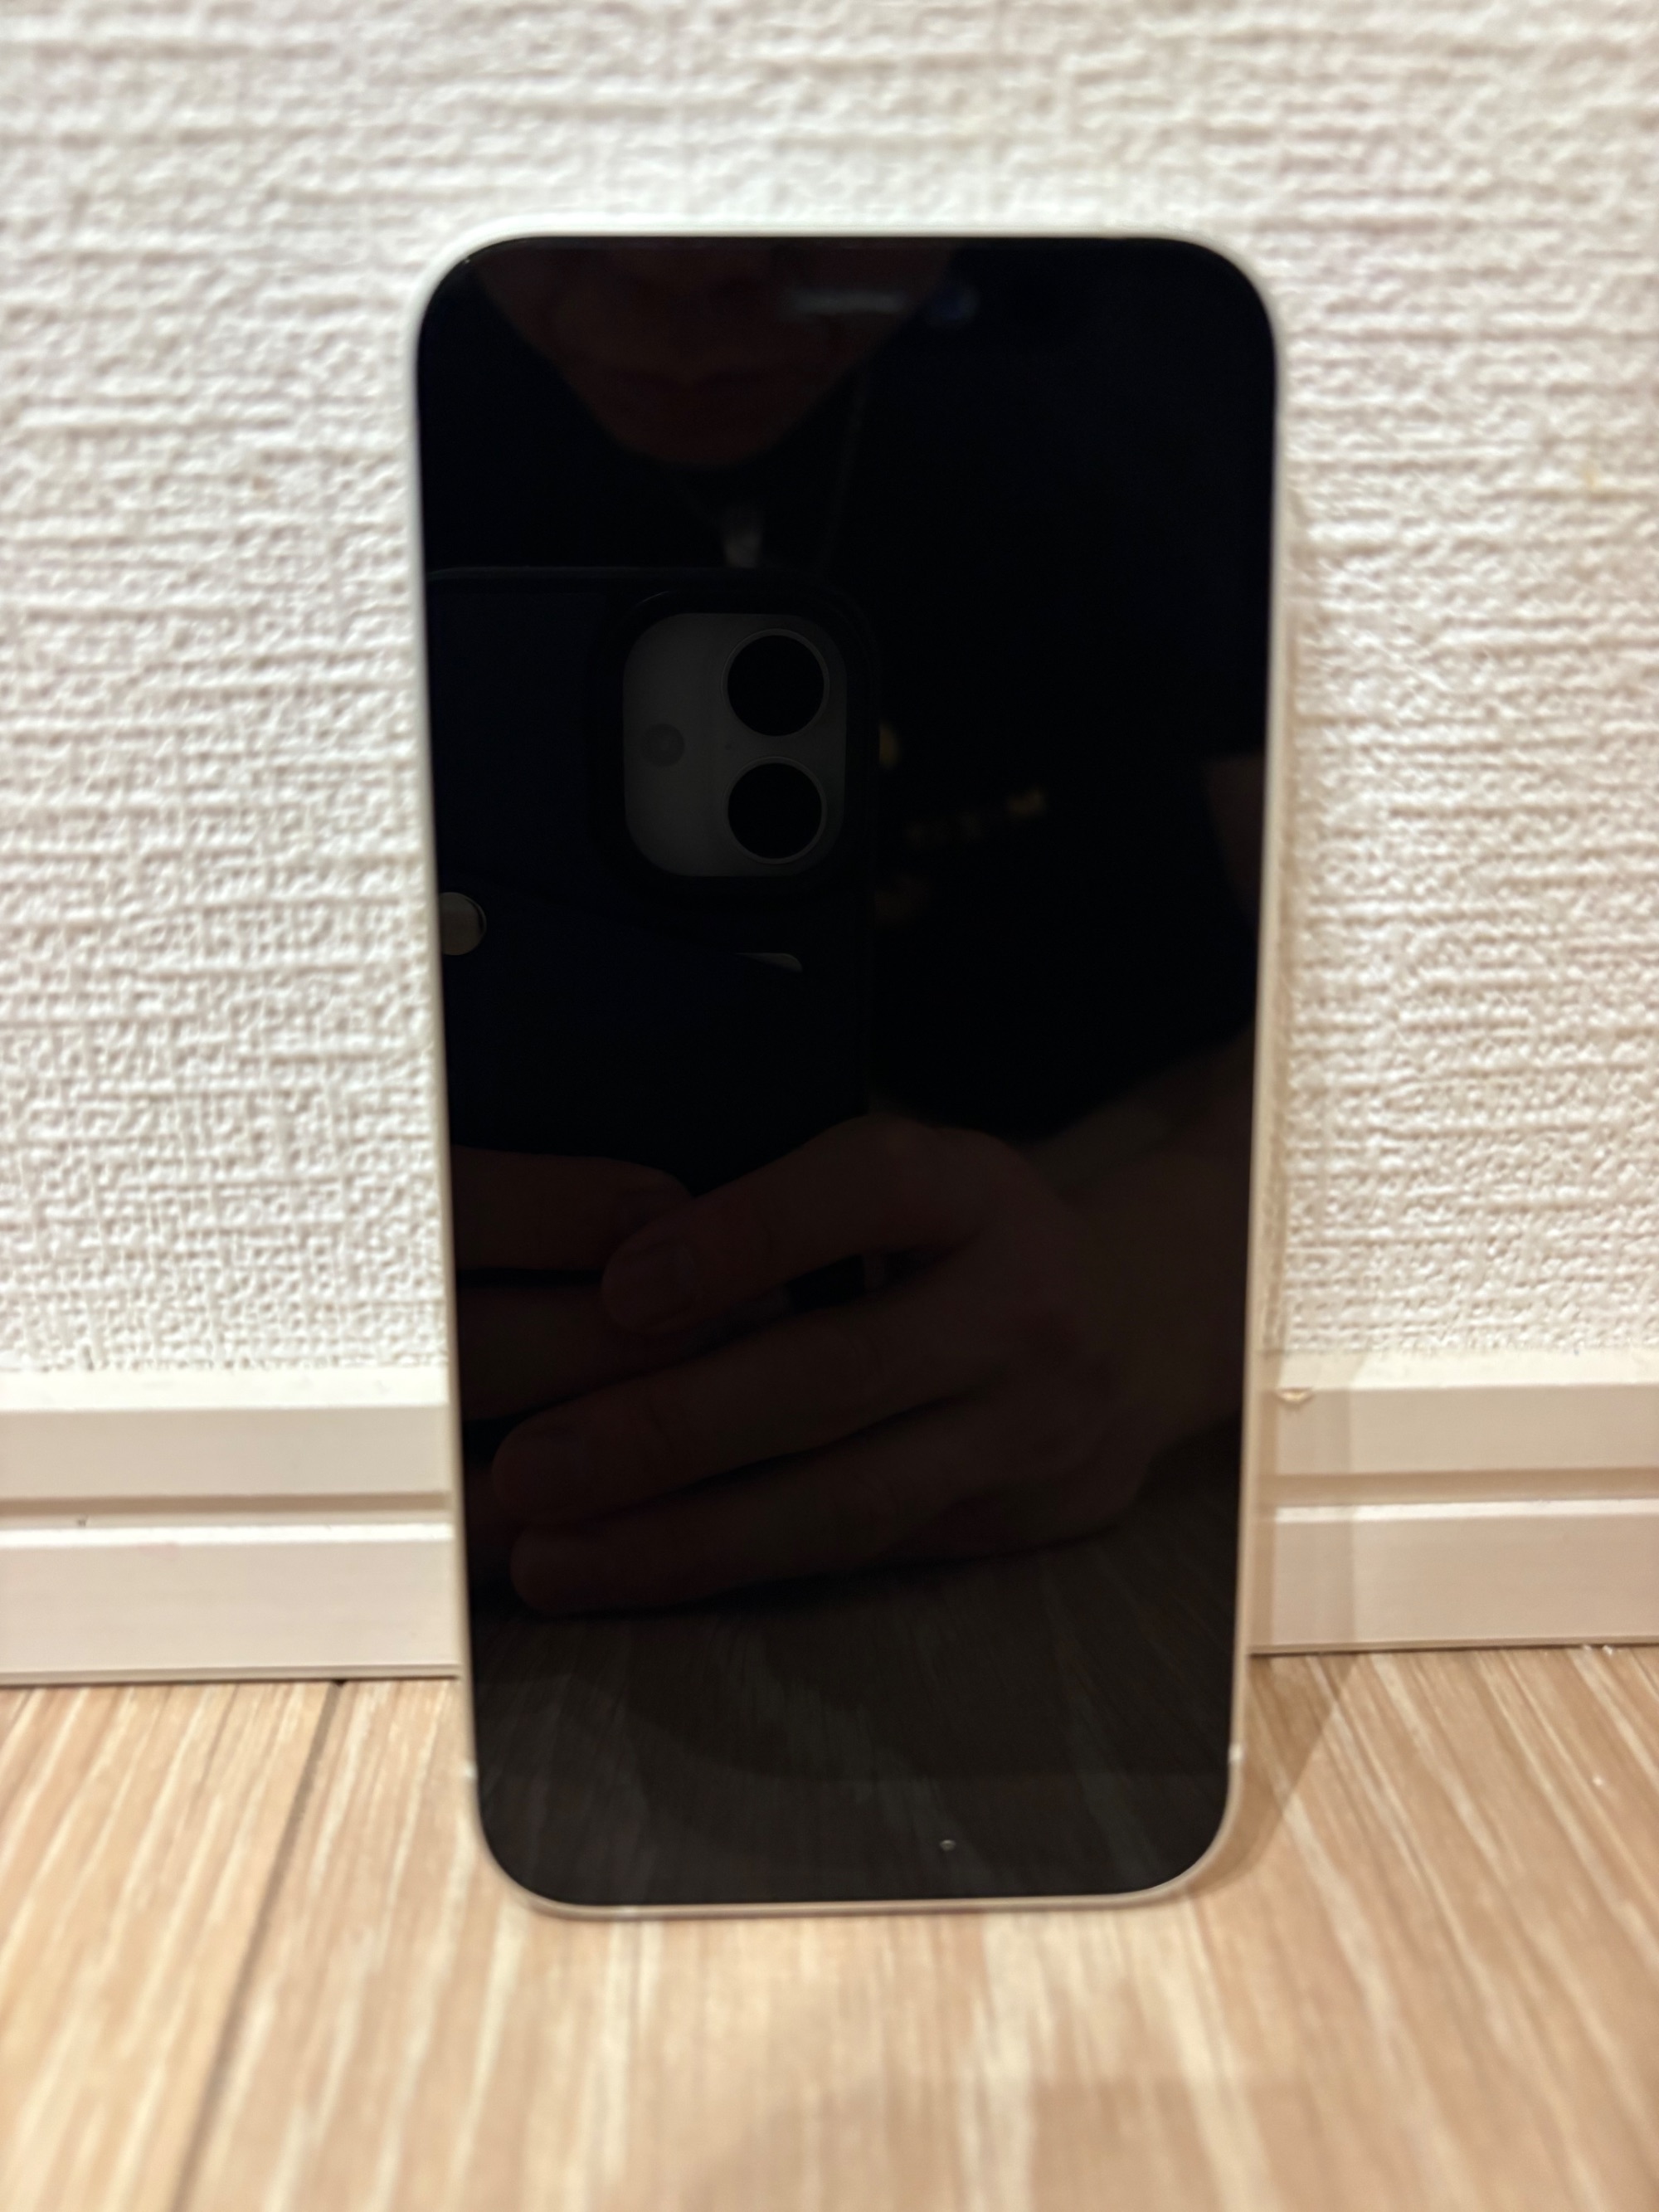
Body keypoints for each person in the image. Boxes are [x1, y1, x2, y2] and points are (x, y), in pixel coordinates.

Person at [417, 239, 1272, 1615]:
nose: (678, 294)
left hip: (1075, 1544)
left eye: (790, 188)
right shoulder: (263, 406)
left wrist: (1171, 1281)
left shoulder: (1190, 323)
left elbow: (1426, 973)